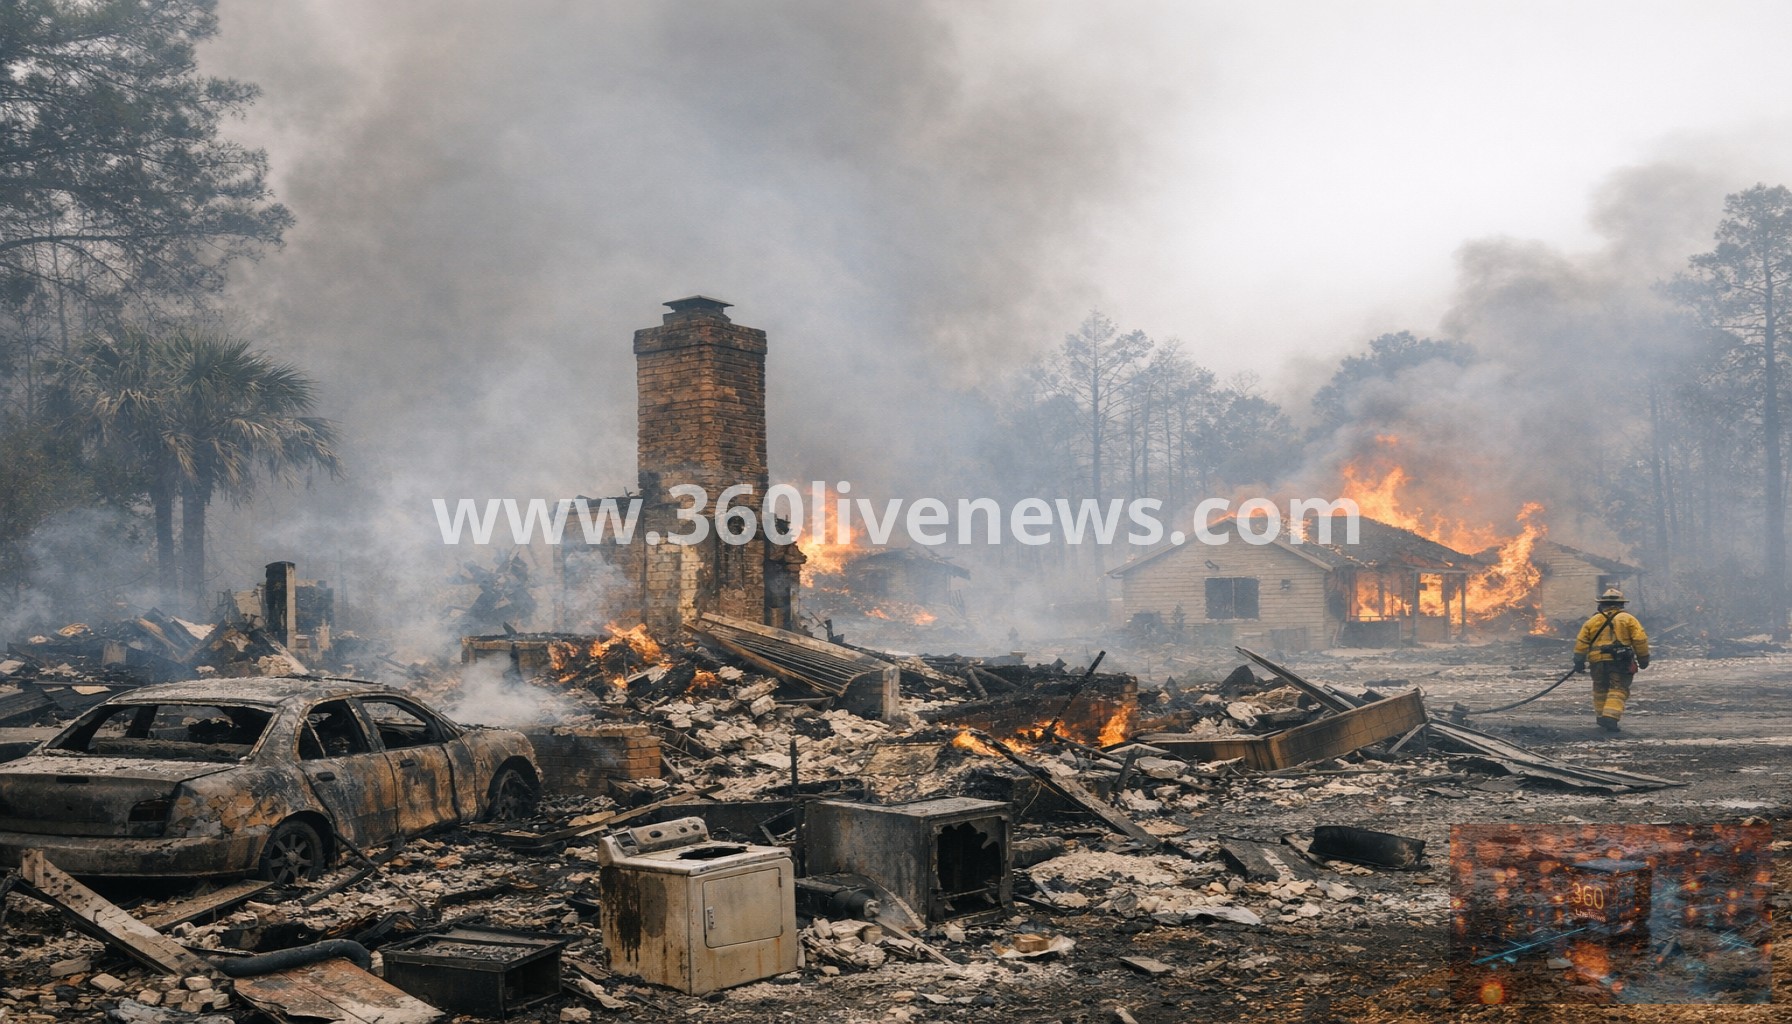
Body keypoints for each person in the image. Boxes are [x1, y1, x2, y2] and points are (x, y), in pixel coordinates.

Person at [1572, 587, 1650, 732]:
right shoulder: (1627, 619)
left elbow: (1581, 642)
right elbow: (1640, 639)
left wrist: (1579, 661)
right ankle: (1610, 718)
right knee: (1618, 688)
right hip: (1620, 662)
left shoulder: (1592, 620)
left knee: (1600, 688)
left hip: (1596, 662)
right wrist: (1643, 658)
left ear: (1602, 604)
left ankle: (1601, 717)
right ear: (1621, 604)